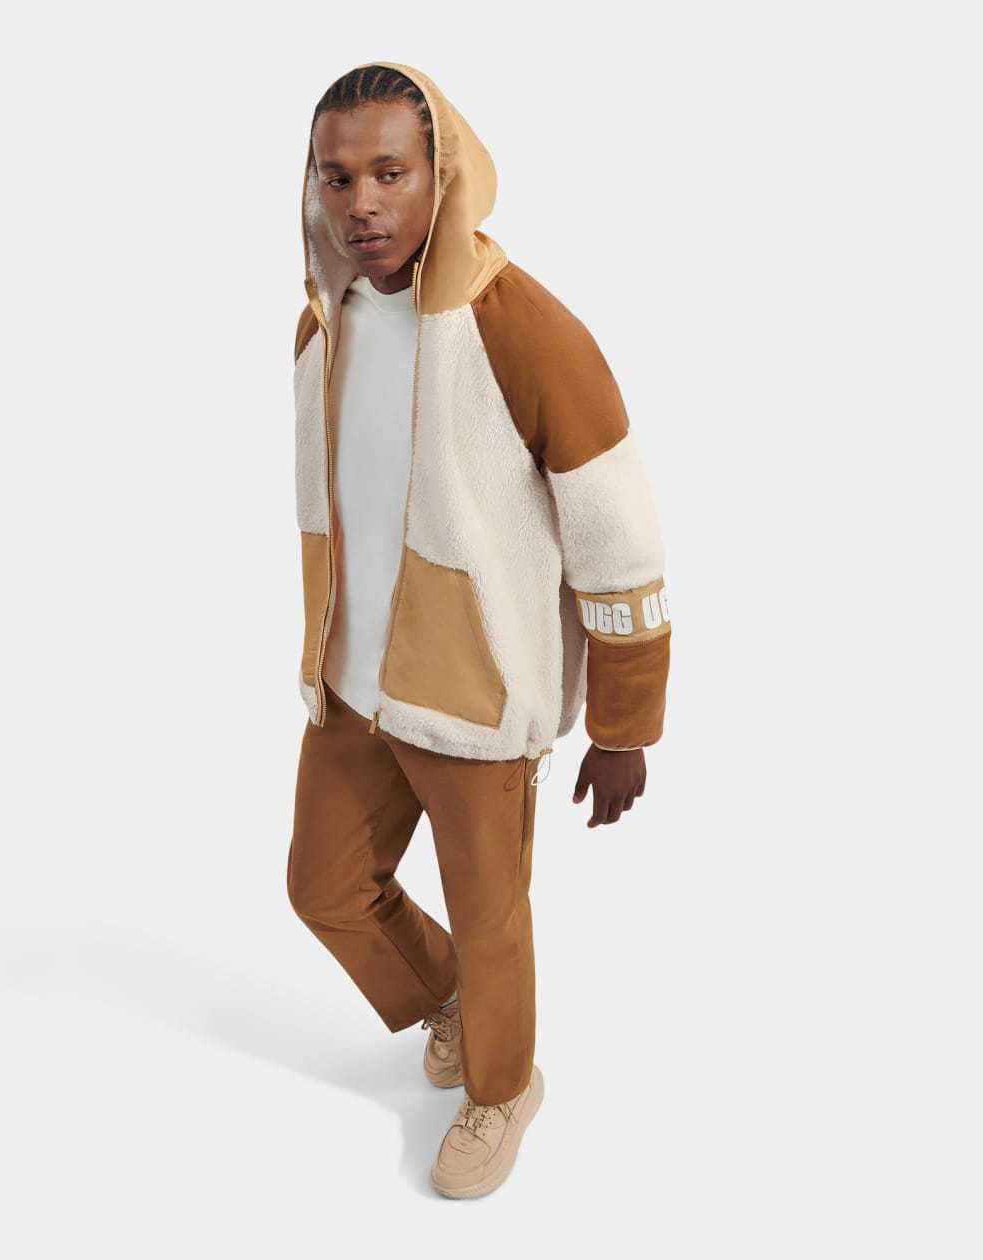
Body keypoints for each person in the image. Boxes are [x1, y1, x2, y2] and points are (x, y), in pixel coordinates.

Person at [286, 60, 672, 1199]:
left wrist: (623, 724)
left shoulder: (523, 327)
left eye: (389, 173)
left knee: (492, 918)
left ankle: (502, 1087)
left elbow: (619, 533)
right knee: (323, 887)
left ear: (441, 175)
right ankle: (451, 998)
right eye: (337, 177)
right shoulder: (321, 324)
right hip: (354, 682)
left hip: (475, 693)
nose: (361, 204)